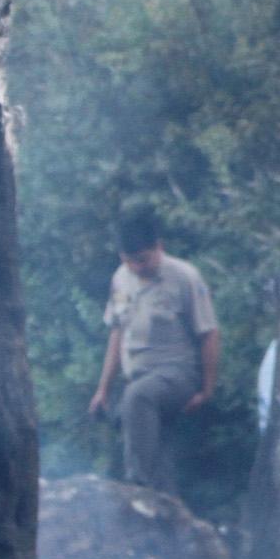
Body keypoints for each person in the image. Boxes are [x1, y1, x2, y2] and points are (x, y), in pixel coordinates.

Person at [89, 208, 219, 494]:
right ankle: (165, 509)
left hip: (178, 373)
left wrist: (207, 388)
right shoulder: (120, 279)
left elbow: (209, 332)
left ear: (158, 246)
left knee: (137, 398)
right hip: (138, 375)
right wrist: (103, 389)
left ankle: (138, 487)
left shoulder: (185, 277)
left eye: (142, 259)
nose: (136, 267)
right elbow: (117, 331)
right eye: (128, 261)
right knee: (142, 429)